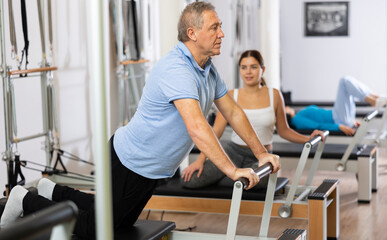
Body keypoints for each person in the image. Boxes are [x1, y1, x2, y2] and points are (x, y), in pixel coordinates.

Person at [0, 2, 280, 239]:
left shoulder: (207, 69)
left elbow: (233, 112)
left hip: (151, 168)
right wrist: (233, 172)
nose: (223, 33)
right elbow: (197, 127)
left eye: (220, 26)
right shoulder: (177, 69)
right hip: (131, 161)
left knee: (114, 218)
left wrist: (261, 153)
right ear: (193, 34)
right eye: (215, 27)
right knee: (96, 229)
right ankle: (24, 199)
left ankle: (53, 190)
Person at [182, 50, 323, 189]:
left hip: (261, 156)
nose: (248, 72)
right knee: (191, 180)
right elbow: (216, 131)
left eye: (253, 67)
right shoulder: (231, 95)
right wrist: (200, 160)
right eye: (244, 67)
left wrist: (307, 139)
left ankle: (229, 178)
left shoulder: (274, 95)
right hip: (232, 152)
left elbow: (284, 130)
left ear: (263, 69)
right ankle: (232, 177)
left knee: (258, 182)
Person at [286, 76, 387, 136]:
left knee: (348, 88)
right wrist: (338, 126)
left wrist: (351, 121)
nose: (285, 107)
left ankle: (375, 98)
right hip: (338, 120)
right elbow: (317, 127)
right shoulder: (296, 119)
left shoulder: (299, 114)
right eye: (283, 108)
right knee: (344, 81)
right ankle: (375, 99)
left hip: (341, 118)